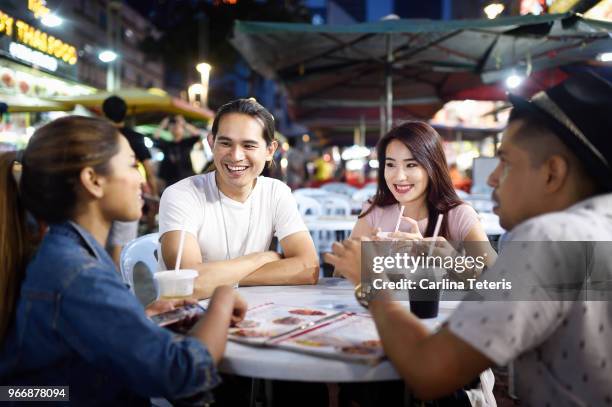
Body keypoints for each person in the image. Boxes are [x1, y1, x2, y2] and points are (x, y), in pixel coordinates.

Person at [325, 72, 612, 406]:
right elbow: (502, 286)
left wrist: (371, 282)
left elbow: (430, 372)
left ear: (553, 173)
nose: (490, 178)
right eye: (390, 164)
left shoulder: (547, 239)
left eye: (504, 162)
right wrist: (450, 258)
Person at [0, 116, 247, 404]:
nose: (142, 179)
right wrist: (223, 297)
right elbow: (180, 372)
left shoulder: (66, 254)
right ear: (93, 180)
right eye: (132, 165)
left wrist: (136, 319)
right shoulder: (78, 273)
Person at [159, 98, 319, 299]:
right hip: (191, 318)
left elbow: (308, 268)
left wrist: (216, 276)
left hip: (256, 312)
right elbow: (189, 283)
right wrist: (261, 258)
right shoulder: (182, 195)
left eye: (249, 145)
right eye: (225, 143)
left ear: (270, 151)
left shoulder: (276, 192)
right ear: (211, 143)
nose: (235, 156)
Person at [350, 121, 496, 273]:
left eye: (411, 165)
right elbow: (339, 274)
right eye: (390, 165)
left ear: (432, 167)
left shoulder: (458, 214)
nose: (399, 177)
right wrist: (367, 258)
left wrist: (451, 259)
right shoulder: (375, 209)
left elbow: (499, 278)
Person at [102, 95, 159, 266]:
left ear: (104, 112)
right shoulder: (134, 137)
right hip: (126, 193)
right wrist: (154, 194)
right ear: (125, 113)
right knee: (122, 242)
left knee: (100, 240)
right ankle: (117, 283)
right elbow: (149, 171)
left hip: (100, 193)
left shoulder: (99, 136)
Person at [153, 115, 202, 188]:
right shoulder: (167, 145)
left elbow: (197, 135)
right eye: (172, 126)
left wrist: (184, 123)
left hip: (187, 180)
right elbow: (155, 139)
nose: (175, 127)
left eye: (178, 126)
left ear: (183, 130)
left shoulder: (186, 142)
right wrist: (163, 124)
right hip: (171, 182)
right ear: (169, 129)